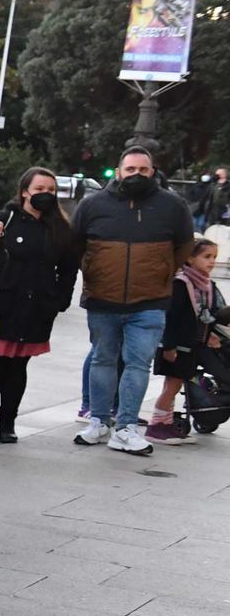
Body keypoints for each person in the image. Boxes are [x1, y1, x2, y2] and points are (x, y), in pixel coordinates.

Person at [73, 146, 194, 455]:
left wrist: (162, 273)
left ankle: (126, 427)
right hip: (103, 299)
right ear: (119, 170)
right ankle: (98, 421)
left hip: (149, 302)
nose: (137, 175)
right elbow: (76, 244)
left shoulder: (173, 206)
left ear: (152, 172)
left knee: (138, 364)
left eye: (143, 170)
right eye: (131, 170)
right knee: (102, 359)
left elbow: (183, 246)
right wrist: (93, 272)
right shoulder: (93, 204)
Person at [0, 168, 76, 445]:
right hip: (4, 306)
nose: (46, 195)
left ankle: (8, 422)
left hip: (37, 309)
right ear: (24, 191)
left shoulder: (59, 228)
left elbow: (69, 268)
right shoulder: (3, 220)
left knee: (18, 367)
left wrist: (59, 300)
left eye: (51, 190)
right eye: (40, 189)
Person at [147, 239, 227, 444]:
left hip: (192, 345)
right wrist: (169, 346)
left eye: (214, 258)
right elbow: (171, 319)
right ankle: (156, 427)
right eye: (206, 257)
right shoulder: (182, 284)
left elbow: (207, 316)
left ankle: (166, 424)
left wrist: (210, 334)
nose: (211, 262)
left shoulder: (206, 285)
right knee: (171, 386)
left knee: (174, 384)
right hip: (177, 346)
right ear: (190, 258)